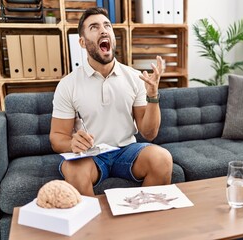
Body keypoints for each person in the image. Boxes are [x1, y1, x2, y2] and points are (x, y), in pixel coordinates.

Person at [49, 7, 173, 196]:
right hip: (90, 155)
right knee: (73, 169)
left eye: (107, 25)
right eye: (94, 27)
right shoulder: (68, 85)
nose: (103, 30)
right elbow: (57, 138)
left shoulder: (134, 77)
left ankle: (144, 221)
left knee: (162, 158)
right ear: (82, 42)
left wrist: (153, 96)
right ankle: (94, 225)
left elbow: (149, 133)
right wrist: (72, 144)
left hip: (127, 151)